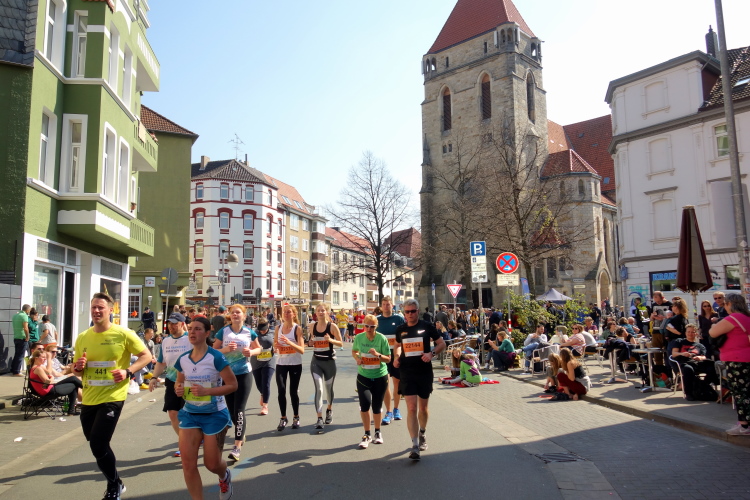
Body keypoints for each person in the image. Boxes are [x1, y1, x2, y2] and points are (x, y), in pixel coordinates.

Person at [72, 293, 151, 499]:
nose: (96, 311)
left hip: (113, 397)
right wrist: (78, 367)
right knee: (96, 445)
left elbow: (146, 356)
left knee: (98, 443)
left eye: (101, 307)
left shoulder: (123, 333)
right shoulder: (83, 337)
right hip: (89, 398)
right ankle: (117, 482)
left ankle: (114, 486)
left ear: (110, 310)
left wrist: (128, 371)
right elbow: (76, 370)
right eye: (94, 307)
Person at [174, 316, 237, 500]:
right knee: (188, 464)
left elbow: (232, 385)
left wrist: (206, 391)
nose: (192, 332)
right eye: (190, 329)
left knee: (212, 464)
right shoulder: (183, 359)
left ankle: (224, 476)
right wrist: (178, 389)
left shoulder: (215, 357)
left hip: (215, 415)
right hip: (190, 414)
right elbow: (179, 383)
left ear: (207, 332)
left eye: (198, 329)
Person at [393, 298, 446, 460]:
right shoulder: (401, 329)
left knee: (422, 408)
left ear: (418, 311)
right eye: (407, 312)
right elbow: (397, 346)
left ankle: (422, 432)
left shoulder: (427, 326)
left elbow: (441, 343)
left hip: (423, 372)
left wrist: (431, 354)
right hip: (407, 371)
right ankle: (415, 445)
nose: (410, 314)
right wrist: (396, 357)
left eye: (413, 311)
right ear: (404, 313)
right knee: (411, 408)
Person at [213, 304, 259, 462]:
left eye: (238, 312)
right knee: (232, 411)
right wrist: (225, 350)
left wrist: (251, 352)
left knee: (239, 410)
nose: (235, 315)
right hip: (227, 375)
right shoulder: (224, 331)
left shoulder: (249, 332)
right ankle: (242, 432)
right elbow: (213, 351)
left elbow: (259, 349)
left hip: (244, 373)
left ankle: (237, 446)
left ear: (244, 316)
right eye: (232, 312)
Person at [149, 312, 191, 457]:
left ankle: (193, 440)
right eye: (169, 323)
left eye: (175, 323)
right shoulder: (166, 341)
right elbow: (161, 362)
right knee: (173, 413)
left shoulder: (190, 338)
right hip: (172, 381)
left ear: (182, 324)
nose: (171, 326)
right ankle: (185, 443)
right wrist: (154, 377)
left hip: (190, 382)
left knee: (189, 414)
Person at [709, 293, 750, 435]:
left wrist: (713, 324)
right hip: (746, 358)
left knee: (739, 392)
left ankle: (744, 425)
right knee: (746, 391)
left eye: (725, 303)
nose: (724, 306)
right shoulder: (747, 318)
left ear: (730, 304)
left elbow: (713, 332)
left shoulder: (733, 318)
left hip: (737, 360)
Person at [352, 314, 391, 448]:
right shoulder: (359, 337)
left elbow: (388, 359)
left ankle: (378, 432)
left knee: (376, 406)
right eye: (366, 326)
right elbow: (354, 351)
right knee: (365, 405)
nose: (368, 329)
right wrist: (357, 359)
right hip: (364, 376)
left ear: (376, 327)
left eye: (372, 327)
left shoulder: (381, 338)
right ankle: (367, 434)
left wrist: (377, 355)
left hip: (380, 376)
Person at [308, 303, 343, 429]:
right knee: (319, 389)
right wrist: (310, 342)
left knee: (328, 389)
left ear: (327, 312)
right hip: (316, 362)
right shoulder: (312, 326)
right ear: (316, 313)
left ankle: (329, 409)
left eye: (323, 310)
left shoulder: (332, 326)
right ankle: (319, 418)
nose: (321, 312)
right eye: (319, 310)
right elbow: (310, 342)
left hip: (329, 362)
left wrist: (330, 340)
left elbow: (340, 343)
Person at [274, 303, 305, 431]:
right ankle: (283, 417)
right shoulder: (278, 328)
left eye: (289, 312)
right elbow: (275, 344)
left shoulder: (297, 329)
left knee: (293, 391)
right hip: (281, 363)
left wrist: (289, 343)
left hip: (295, 364)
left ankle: (296, 417)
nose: (286, 314)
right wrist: (276, 347)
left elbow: (302, 350)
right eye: (284, 312)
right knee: (281, 390)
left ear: (294, 314)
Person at [670, 324, 717, 401]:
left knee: (712, 366)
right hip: (685, 363)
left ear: (696, 333)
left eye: (692, 332)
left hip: (698, 363)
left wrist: (699, 358)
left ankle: (703, 385)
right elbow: (674, 354)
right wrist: (682, 354)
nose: (690, 334)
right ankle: (688, 393)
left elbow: (704, 356)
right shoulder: (679, 342)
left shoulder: (700, 345)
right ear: (685, 333)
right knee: (688, 369)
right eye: (688, 332)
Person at [377, 296, 405, 425]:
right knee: (385, 383)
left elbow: (404, 336)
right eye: (384, 304)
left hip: (397, 355)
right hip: (383, 357)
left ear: (392, 305)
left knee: (397, 382)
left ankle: (396, 409)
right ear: (381, 306)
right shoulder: (378, 320)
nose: (386, 306)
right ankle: (388, 411)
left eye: (388, 304)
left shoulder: (398, 318)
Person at [28, 349, 81, 415]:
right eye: (43, 357)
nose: (45, 359)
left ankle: (71, 410)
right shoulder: (38, 369)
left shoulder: (39, 367)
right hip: (48, 391)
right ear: (36, 358)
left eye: (45, 357)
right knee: (74, 383)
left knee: (73, 379)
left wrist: (49, 360)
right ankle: (87, 389)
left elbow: (49, 372)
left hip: (50, 387)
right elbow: (47, 382)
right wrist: (52, 377)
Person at [250, 319, 275, 416]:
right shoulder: (253, 333)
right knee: (258, 383)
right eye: (261, 329)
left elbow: (276, 343)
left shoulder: (273, 332)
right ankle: (263, 393)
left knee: (266, 383)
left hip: (269, 361)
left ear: (268, 325)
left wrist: (276, 348)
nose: (262, 331)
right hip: (256, 361)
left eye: (264, 329)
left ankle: (265, 405)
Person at [11, 304, 31, 377]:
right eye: (29, 310)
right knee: (20, 355)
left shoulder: (15, 315)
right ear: (27, 310)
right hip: (22, 337)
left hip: (16, 337)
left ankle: (13, 369)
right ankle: (17, 371)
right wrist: (27, 336)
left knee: (17, 354)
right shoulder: (24, 316)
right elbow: (25, 328)